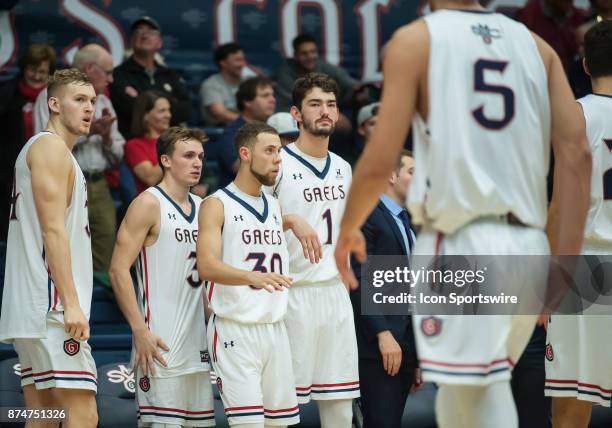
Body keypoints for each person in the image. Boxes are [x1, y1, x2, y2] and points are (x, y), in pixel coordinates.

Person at [333, 1, 591, 427]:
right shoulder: (537, 45)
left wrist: (347, 229)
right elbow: (577, 154)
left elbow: (381, 156)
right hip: (527, 244)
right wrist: (565, 258)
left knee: (478, 395)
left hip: (461, 241)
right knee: (475, 393)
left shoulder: (416, 39)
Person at [0, 68, 99, 427]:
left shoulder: (52, 151)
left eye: (92, 101)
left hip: (34, 308)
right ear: (54, 104)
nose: (89, 108)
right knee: (83, 415)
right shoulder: (50, 148)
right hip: (51, 308)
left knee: (42, 417)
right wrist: (72, 302)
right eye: (79, 100)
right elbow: (52, 230)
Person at [270, 72, 359, 428]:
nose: (325, 111)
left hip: (335, 294)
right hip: (291, 294)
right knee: (281, 410)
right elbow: (242, 222)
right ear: (296, 113)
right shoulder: (277, 164)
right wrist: (288, 218)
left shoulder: (343, 167)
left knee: (339, 406)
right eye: (315, 104)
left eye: (331, 105)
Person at [109, 126, 214, 427]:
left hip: (199, 344)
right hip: (159, 344)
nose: (198, 163)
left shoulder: (206, 208)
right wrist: (139, 330)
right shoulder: (148, 203)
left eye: (201, 157)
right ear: (166, 161)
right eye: (189, 155)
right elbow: (117, 270)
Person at [197, 122, 300, 427]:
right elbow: (207, 266)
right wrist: (253, 277)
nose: (277, 158)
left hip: (275, 328)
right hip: (235, 329)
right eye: (269, 151)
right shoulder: (216, 204)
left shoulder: (273, 205)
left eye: (279, 151)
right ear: (245, 153)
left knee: (279, 425)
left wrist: (295, 221)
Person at [545, 20, 612, 428]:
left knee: (572, 395)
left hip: (584, 265)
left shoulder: (574, 114)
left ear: (584, 65)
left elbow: (561, 204)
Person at [33, 44, 125, 273]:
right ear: (90, 68)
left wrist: (106, 139)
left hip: (99, 185)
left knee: (105, 259)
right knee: (63, 254)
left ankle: (94, 309)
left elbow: (119, 154)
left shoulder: (103, 103)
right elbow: (43, 147)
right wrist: (88, 132)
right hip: (63, 186)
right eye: (107, 72)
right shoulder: (50, 97)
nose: (111, 79)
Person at [350, 150, 418, 428]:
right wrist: (382, 333)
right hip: (379, 345)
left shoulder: (409, 219)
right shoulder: (367, 214)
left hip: (407, 343)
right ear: (391, 175)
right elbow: (360, 278)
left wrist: (418, 354)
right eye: (412, 172)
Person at [0, 43, 55, 285]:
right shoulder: (7, 93)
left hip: (44, 176)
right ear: (24, 68)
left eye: (43, 71)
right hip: (8, 176)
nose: (37, 75)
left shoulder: (56, 99)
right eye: (33, 69)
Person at [110, 16, 191, 139]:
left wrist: (142, 102)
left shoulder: (170, 74)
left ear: (159, 43)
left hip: (170, 143)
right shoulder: (118, 74)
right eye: (139, 32)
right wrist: (169, 102)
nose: (144, 36)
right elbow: (127, 109)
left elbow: (186, 110)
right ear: (132, 41)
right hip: (133, 142)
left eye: (151, 33)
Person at [276, 34, 365, 114]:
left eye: (313, 52)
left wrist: (358, 90)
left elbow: (349, 83)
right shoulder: (286, 74)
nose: (310, 57)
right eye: (304, 53)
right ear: (295, 56)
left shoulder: (324, 66)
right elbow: (291, 104)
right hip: (295, 115)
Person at [216, 76, 276, 187]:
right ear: (247, 101)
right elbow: (238, 167)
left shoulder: (274, 130)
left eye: (272, 95)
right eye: (265, 95)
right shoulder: (232, 132)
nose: (272, 99)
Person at [125, 91, 170, 195]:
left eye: (168, 110)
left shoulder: (174, 141)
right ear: (145, 115)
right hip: (151, 204)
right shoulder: (134, 145)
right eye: (162, 111)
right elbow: (150, 178)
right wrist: (173, 152)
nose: (168, 115)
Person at [200, 42, 252, 126]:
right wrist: (251, 122)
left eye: (243, 60)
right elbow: (220, 114)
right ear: (223, 63)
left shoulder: (248, 82)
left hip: (247, 129)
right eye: (237, 60)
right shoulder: (211, 84)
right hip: (220, 131)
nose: (243, 64)